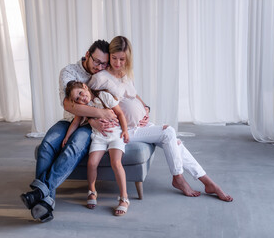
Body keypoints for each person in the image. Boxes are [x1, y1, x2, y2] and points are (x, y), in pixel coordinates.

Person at [88, 36, 233, 202]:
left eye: (123, 59)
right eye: (114, 58)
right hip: (124, 129)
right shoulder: (100, 78)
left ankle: (207, 181)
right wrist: (94, 120)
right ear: (109, 55)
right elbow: (87, 102)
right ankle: (180, 179)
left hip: (140, 124)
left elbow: (133, 95)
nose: (118, 63)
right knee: (169, 132)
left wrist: (145, 108)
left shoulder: (125, 74)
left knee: (175, 142)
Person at [20, 40, 118, 223]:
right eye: (96, 61)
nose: (100, 67)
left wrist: (145, 108)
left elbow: (123, 89)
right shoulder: (69, 72)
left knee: (75, 146)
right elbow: (69, 105)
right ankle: (45, 200)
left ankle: (41, 196)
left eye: (104, 63)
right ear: (87, 55)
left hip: (91, 126)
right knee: (47, 144)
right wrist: (99, 113)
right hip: (70, 120)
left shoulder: (105, 72)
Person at [63, 80, 130, 216]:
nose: (82, 98)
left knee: (116, 163)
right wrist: (66, 137)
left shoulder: (103, 96)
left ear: (85, 87)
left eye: (81, 93)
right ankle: (92, 191)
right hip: (98, 138)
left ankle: (124, 198)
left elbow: (120, 113)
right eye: (77, 99)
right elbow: (75, 123)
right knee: (92, 163)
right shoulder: (84, 108)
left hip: (115, 134)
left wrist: (125, 130)